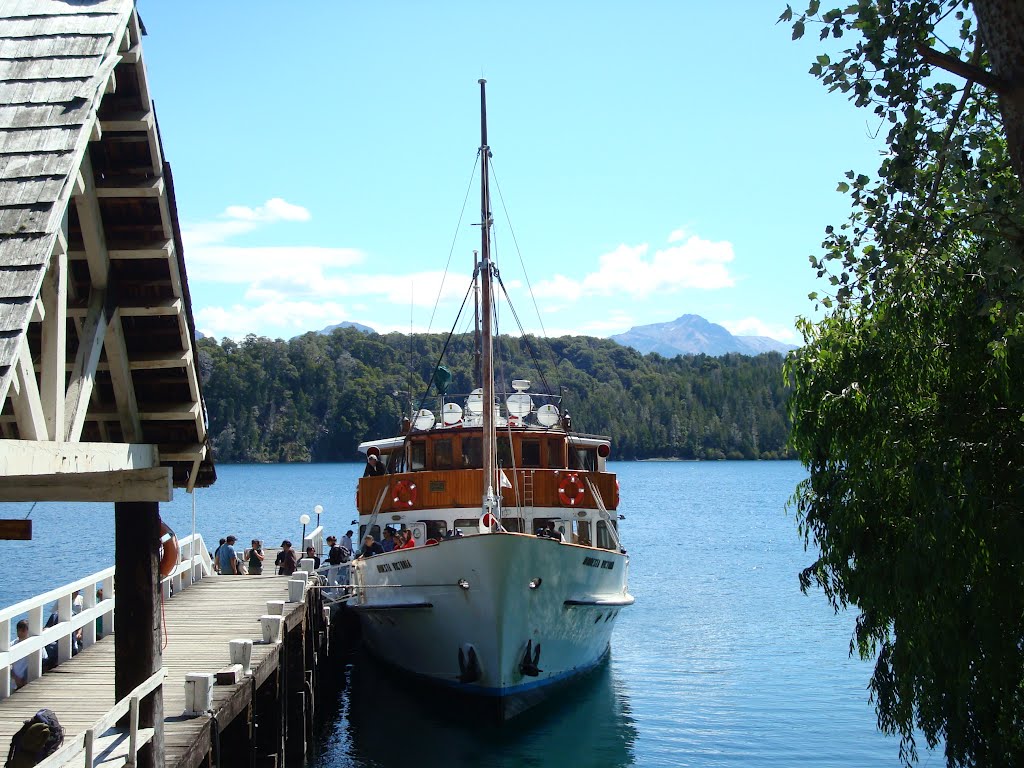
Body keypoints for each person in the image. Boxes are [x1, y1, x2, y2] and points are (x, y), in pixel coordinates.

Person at [11, 620, 29, 691]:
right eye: (19, 630)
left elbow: (43, 660)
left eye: (23, 630)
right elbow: (8, 665)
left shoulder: (34, 643)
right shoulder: (12, 645)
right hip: (14, 682)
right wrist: (15, 678)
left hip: (28, 681)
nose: (20, 632)